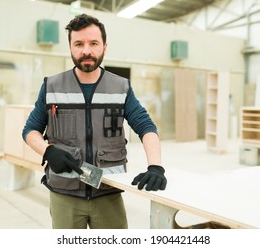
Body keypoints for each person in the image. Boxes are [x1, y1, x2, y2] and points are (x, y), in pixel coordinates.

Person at [22, 13, 167, 229]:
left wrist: (155, 166)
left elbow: (146, 128)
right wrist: (47, 150)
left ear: (104, 47)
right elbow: (30, 130)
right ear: (70, 47)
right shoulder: (52, 86)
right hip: (65, 195)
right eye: (78, 44)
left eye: (93, 43)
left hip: (108, 193)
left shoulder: (121, 88)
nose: (86, 50)